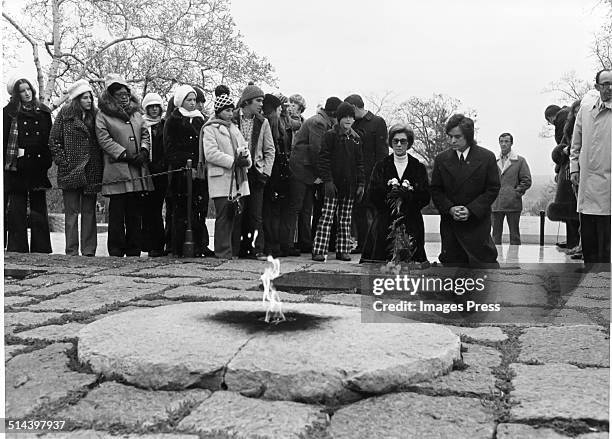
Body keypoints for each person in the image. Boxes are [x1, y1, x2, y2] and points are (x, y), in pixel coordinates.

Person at [430, 114, 500, 267]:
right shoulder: (441, 159)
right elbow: (436, 189)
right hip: (451, 226)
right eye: (450, 136)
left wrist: (471, 210)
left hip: (477, 225)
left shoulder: (487, 157)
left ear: (468, 136)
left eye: (457, 137)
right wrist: (450, 208)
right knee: (452, 275)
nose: (452, 141)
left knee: (481, 274)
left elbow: (492, 189)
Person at [96, 73, 153, 257]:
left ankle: (134, 247)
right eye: (119, 93)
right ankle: (116, 249)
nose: (124, 96)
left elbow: (145, 133)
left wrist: (144, 150)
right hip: (117, 169)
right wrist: (125, 154)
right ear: (112, 95)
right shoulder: (103, 116)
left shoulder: (136, 114)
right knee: (117, 213)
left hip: (137, 171)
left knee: (135, 212)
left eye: (126, 92)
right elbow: (104, 139)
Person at [49, 79, 103, 256]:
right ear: (77, 99)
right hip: (70, 170)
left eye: (90, 97)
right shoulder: (65, 115)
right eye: (85, 97)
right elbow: (54, 140)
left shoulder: (96, 116)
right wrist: (62, 161)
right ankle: (71, 250)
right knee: (71, 214)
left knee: (89, 213)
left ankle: (88, 251)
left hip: (91, 170)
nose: (89, 100)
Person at [361, 124, 430, 263]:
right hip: (385, 223)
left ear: (409, 143)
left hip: (411, 223)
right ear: (391, 143)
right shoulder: (381, 166)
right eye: (395, 141)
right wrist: (389, 197)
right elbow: (372, 194)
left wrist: (408, 197)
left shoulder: (418, 167)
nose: (399, 144)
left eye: (403, 141)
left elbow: (425, 196)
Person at [283, 96, 342, 256]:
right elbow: (317, 151)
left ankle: (305, 243)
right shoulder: (319, 123)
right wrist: (323, 175)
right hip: (301, 169)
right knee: (296, 207)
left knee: (306, 209)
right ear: (334, 113)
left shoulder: (323, 121)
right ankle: (288, 244)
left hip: (309, 171)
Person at [3, 77, 53, 253]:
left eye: (29, 89)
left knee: (39, 207)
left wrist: (47, 160)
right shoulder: (9, 113)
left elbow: (49, 140)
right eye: (23, 90)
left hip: (37, 165)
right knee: (17, 207)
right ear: (17, 94)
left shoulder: (43, 112)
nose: (27, 93)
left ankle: (42, 248)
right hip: (17, 166)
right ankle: (17, 247)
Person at [202, 88, 252, 259]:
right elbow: (211, 153)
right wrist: (232, 161)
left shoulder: (234, 128)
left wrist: (246, 160)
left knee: (235, 216)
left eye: (232, 110)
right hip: (222, 178)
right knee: (224, 215)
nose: (231, 113)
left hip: (238, 178)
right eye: (227, 110)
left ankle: (233, 250)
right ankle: (222, 251)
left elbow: (244, 147)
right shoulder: (210, 129)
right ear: (219, 111)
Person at [312, 102, 365, 262]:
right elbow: (324, 159)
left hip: (349, 186)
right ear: (339, 118)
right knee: (327, 218)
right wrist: (327, 181)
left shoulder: (356, 139)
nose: (348, 120)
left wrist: (361, 183)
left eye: (351, 117)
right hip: (333, 185)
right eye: (345, 117)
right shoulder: (330, 135)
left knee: (345, 219)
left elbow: (360, 163)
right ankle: (319, 250)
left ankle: (343, 250)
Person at [570, 69, 612, 266]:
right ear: (597, 87)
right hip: (587, 183)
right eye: (605, 84)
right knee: (589, 241)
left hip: (608, 185)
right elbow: (575, 140)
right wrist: (574, 168)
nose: (609, 88)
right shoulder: (586, 108)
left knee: (606, 244)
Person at [164, 84, 209, 257]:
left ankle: (199, 244)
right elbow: (169, 148)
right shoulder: (173, 120)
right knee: (180, 209)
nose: (192, 103)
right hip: (181, 172)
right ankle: (178, 245)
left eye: (194, 100)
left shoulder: (201, 120)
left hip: (199, 171)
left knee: (199, 207)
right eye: (188, 100)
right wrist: (183, 163)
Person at [233, 82, 275, 260]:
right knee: (238, 212)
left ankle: (257, 249)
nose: (261, 104)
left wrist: (265, 172)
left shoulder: (263, 122)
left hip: (256, 172)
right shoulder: (233, 118)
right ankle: (237, 249)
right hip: (237, 171)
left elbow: (269, 150)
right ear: (247, 101)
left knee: (256, 213)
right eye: (258, 100)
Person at [344, 94, 388, 254]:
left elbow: (382, 151)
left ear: (354, 107)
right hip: (356, 176)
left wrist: (380, 175)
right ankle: (363, 244)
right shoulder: (352, 124)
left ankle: (378, 245)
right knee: (359, 212)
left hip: (374, 174)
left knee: (375, 212)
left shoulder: (377, 122)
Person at [548, 100, 581, 253]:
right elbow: (559, 150)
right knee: (572, 210)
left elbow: (559, 149)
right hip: (569, 171)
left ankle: (575, 243)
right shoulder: (569, 126)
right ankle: (574, 242)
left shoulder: (562, 117)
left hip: (574, 172)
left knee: (574, 210)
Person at [491, 132, 532, 245]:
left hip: (513, 203)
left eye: (506, 141)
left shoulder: (520, 161)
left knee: (514, 235)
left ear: (511, 143)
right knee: (495, 235)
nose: (503, 144)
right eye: (501, 141)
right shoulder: (493, 161)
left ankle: (514, 260)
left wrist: (516, 193)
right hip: (496, 203)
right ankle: (495, 259)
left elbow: (526, 180)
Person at [140, 92, 167, 257]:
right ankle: (148, 243)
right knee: (147, 209)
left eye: (157, 106)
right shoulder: (142, 125)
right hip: (145, 169)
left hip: (162, 171)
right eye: (151, 107)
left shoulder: (165, 125)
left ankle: (158, 244)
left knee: (157, 208)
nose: (154, 110)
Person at [262, 93, 288, 257]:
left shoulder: (275, 125)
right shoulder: (271, 126)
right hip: (273, 171)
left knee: (271, 210)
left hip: (274, 171)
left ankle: (273, 244)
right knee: (271, 210)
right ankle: (272, 244)